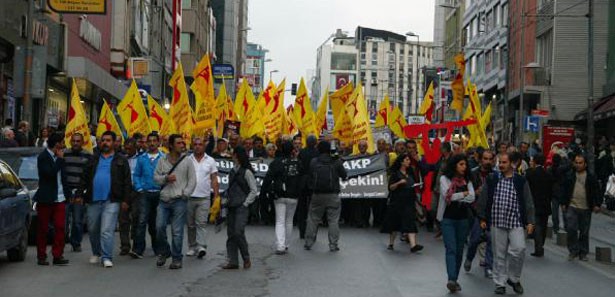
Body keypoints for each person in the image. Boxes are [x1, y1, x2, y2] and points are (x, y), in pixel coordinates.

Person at [478, 152, 535, 295]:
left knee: (519, 249)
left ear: (512, 164)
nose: (501, 165)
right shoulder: (492, 179)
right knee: (499, 255)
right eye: (499, 162)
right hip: (497, 221)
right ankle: (500, 283)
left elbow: (528, 202)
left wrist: (530, 221)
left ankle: (513, 278)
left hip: (515, 222)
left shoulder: (520, 181)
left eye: (504, 162)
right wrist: (482, 218)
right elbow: (484, 199)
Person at [85, 131, 132, 268]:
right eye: (103, 140)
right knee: (93, 228)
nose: (105, 143)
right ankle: (96, 252)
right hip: (93, 199)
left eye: (108, 140)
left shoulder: (121, 160)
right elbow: (85, 177)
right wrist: (81, 194)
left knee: (106, 230)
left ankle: (106, 256)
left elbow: (127, 182)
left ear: (113, 143)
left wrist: (125, 200)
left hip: (111, 200)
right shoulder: (93, 159)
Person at [154, 134, 197, 269]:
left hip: (179, 200)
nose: (182, 145)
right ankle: (164, 251)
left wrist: (186, 194)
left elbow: (192, 180)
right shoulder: (162, 160)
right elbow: (155, 177)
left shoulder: (187, 161)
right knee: (159, 227)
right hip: (164, 199)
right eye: (178, 143)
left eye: (182, 143)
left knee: (177, 231)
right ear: (171, 145)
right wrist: (166, 178)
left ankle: (177, 258)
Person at [438, 154, 475, 293]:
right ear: (454, 165)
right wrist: (462, 194)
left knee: (459, 250)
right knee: (451, 248)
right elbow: (447, 196)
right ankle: (451, 279)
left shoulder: (468, 180)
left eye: (465, 165)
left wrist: (460, 196)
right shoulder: (444, 179)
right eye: (461, 164)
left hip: (463, 219)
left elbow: (472, 197)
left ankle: (455, 278)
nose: (464, 167)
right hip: (448, 218)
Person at [304, 140, 348, 252]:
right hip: (333, 194)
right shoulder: (336, 161)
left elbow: (310, 175)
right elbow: (344, 175)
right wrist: (336, 156)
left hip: (317, 194)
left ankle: (309, 242)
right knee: (333, 221)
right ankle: (333, 244)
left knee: (313, 219)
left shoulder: (314, 161)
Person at [33, 133, 69, 266]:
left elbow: (63, 176)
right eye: (62, 142)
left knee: (60, 227)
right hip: (46, 198)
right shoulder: (43, 157)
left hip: (60, 198)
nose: (64, 145)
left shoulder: (61, 157)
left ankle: (57, 255)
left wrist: (67, 194)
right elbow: (49, 174)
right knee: (43, 228)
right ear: (56, 144)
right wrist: (59, 160)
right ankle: (41, 256)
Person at [261, 141, 303, 254]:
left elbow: (268, 178)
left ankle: (280, 245)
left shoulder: (276, 162)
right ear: (291, 150)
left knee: (280, 221)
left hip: (279, 195)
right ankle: (286, 244)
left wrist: (263, 192)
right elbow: (302, 179)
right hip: (293, 196)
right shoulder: (297, 163)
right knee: (289, 221)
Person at [222, 146, 258, 269]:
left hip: (241, 207)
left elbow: (254, 190)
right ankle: (233, 261)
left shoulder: (247, 172)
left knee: (238, 232)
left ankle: (246, 257)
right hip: (231, 205)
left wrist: (246, 203)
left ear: (236, 156)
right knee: (231, 234)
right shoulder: (232, 171)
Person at [130, 132, 165, 259]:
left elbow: (166, 175)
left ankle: (158, 248)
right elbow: (136, 175)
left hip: (159, 194)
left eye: (154, 141)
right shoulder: (142, 158)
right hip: (144, 193)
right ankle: (138, 249)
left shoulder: (163, 158)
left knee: (156, 223)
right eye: (149, 141)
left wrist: (163, 189)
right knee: (141, 221)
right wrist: (139, 187)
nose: (151, 143)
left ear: (158, 142)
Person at [381, 153, 424, 252]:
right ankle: (391, 243)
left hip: (409, 201)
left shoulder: (411, 172)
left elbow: (413, 182)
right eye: (407, 160)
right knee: (395, 223)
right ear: (402, 162)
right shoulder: (395, 174)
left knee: (410, 222)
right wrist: (399, 183)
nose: (409, 161)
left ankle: (413, 245)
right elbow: (390, 187)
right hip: (397, 202)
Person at [562, 154, 602, 261]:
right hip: (572, 205)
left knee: (584, 231)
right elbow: (564, 190)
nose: (578, 165)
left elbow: (596, 191)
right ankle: (573, 251)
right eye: (576, 162)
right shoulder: (570, 175)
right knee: (571, 228)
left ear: (585, 164)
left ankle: (583, 253)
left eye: (580, 163)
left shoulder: (591, 177)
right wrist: (563, 203)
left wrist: (597, 204)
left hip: (586, 207)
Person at [186, 136, 219, 259]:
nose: (197, 146)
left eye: (200, 144)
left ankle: (201, 246)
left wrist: (216, 196)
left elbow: (214, 178)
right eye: (195, 144)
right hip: (189, 196)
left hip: (204, 197)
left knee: (201, 223)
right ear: (192, 146)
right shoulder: (187, 160)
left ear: (204, 146)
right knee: (190, 224)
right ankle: (191, 246)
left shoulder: (210, 160)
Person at [464, 150, 494, 278]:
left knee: (491, 239)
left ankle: (489, 266)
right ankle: (469, 258)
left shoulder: (495, 175)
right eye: (485, 159)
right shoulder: (473, 174)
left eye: (490, 159)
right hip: (476, 211)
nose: (487, 162)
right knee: (475, 239)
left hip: (492, 212)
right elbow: (466, 191)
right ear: (481, 159)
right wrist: (475, 192)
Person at [63, 133, 93, 252]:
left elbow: (89, 177)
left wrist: (82, 193)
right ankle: (62, 242)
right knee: (63, 221)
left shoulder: (88, 156)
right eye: (73, 141)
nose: (75, 143)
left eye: (78, 141)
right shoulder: (65, 154)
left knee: (77, 221)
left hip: (79, 193)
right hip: (66, 193)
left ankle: (76, 243)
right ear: (70, 142)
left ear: (82, 142)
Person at [525, 153, 554, 257]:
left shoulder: (530, 174)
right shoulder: (548, 175)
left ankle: (538, 248)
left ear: (535, 162)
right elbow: (551, 191)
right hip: (545, 204)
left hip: (534, 204)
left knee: (537, 226)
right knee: (544, 226)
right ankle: (541, 245)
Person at [117, 138, 140, 255]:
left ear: (135, 148)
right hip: (123, 192)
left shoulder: (141, 158)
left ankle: (136, 243)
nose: (127, 151)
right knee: (123, 219)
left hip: (137, 191)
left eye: (129, 149)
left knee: (136, 217)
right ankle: (125, 245)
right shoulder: (120, 159)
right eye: (125, 148)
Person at [296, 135, 319, 239]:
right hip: (314, 182)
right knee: (314, 208)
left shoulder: (302, 152)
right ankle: (313, 232)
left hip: (302, 182)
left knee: (302, 208)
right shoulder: (317, 153)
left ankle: (302, 231)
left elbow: (299, 166)